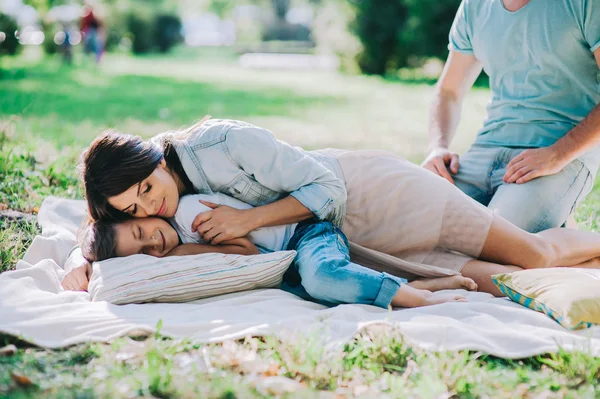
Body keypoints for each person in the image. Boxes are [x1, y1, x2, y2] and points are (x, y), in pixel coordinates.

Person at [63, 118, 600, 297]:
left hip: (374, 193)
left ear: (153, 157)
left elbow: (326, 191)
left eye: (146, 189)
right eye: (134, 208)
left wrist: (247, 220)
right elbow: (97, 229)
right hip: (345, 241)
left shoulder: (221, 143)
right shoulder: (145, 205)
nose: (148, 206)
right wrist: (79, 262)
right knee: (495, 279)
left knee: (528, 255)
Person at [71, 193, 478, 309]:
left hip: (305, 234)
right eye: (143, 252)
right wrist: (84, 264)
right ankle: (426, 283)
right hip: (286, 265)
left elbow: (247, 253)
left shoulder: (191, 215)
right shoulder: (160, 244)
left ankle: (424, 297)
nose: (154, 243)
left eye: (143, 230)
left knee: (324, 279)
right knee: (306, 292)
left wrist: (178, 256)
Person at [421, 0, 600, 233]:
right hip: (483, 153)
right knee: (408, 226)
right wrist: (437, 146)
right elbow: (448, 91)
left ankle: (584, 251)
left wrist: (558, 154)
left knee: (488, 240)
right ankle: (558, 237)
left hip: (556, 157)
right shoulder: (474, 6)